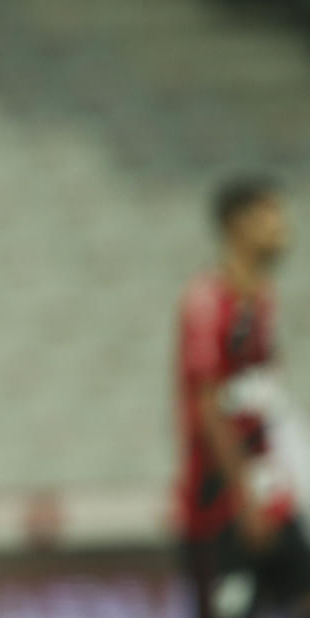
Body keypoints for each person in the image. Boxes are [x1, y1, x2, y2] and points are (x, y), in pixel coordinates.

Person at [174, 175, 310, 617]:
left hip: (271, 497)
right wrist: (245, 498)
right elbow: (209, 405)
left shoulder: (262, 301)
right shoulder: (208, 302)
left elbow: (264, 401)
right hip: (221, 509)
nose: (282, 229)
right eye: (270, 218)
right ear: (238, 225)